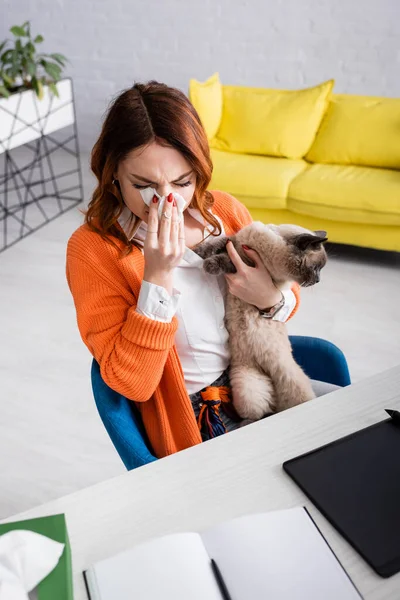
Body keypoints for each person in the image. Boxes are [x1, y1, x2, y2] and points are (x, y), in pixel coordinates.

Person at [66, 81, 337, 459]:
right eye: (143, 185)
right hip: (205, 416)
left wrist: (269, 298)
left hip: (264, 376)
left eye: (182, 181)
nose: (168, 200)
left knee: (363, 430)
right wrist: (157, 277)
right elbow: (132, 384)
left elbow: (286, 300)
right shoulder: (94, 250)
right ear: (113, 176)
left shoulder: (222, 210)